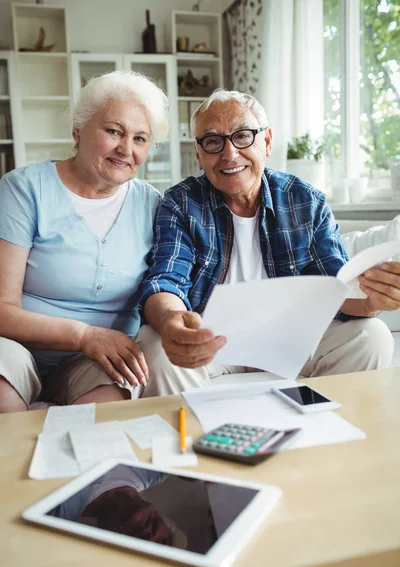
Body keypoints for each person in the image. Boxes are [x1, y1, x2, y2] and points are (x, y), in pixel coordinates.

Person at [135, 89, 399, 395]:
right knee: (156, 347)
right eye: (212, 141)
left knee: (373, 336)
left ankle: (323, 430)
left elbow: (337, 289)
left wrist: (374, 301)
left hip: (293, 337)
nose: (229, 153)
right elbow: (165, 281)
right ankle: (201, 438)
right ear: (198, 153)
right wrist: (172, 323)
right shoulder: (181, 203)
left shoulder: (306, 201)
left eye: (243, 136)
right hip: (211, 341)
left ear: (267, 141)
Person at [0, 71, 169, 413]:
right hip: (16, 348)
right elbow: (2, 309)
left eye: (140, 139)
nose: (126, 149)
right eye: (113, 131)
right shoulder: (24, 189)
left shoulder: (153, 205)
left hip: (98, 363)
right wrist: (84, 336)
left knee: (105, 411)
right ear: (78, 131)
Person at [49, 465, 186, 547]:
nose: (150, 539)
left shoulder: (55, 510)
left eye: (143, 547)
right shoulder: (158, 467)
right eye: (161, 543)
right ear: (167, 525)